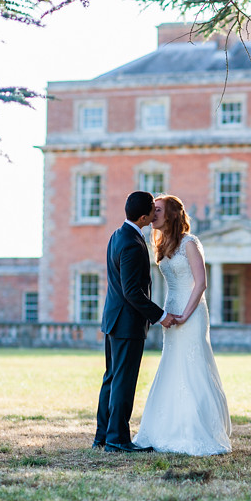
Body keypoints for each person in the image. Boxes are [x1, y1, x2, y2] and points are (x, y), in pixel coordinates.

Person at [134, 194, 232, 455]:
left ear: (172, 215)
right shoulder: (162, 243)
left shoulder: (190, 243)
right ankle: (164, 429)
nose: (152, 214)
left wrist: (186, 314)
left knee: (192, 366)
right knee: (172, 364)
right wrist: (166, 313)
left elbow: (200, 283)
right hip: (171, 310)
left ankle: (194, 431)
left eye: (157, 210)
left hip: (192, 313)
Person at [94, 191, 177, 453]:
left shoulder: (117, 235)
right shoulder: (131, 243)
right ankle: (117, 439)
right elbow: (132, 291)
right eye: (153, 210)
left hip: (114, 320)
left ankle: (103, 437)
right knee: (123, 381)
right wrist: (160, 315)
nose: (156, 213)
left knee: (111, 378)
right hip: (127, 323)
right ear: (143, 216)